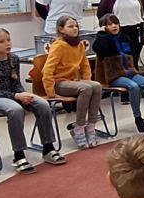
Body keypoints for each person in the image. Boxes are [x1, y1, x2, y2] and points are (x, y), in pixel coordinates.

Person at [0, 27, 66, 173]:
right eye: (1, 41)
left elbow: (16, 83)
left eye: (8, 40)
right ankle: (19, 155)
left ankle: (48, 148)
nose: (7, 44)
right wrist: (16, 97)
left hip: (12, 94)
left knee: (42, 104)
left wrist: (23, 94)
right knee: (15, 109)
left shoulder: (13, 59)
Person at [93, 15, 144, 138]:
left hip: (130, 72)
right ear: (104, 27)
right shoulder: (104, 40)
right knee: (134, 87)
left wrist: (135, 70)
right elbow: (97, 48)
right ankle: (138, 118)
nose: (114, 26)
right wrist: (101, 34)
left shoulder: (125, 38)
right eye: (110, 24)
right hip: (115, 76)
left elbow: (133, 55)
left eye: (116, 23)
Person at [42, 16, 106, 149]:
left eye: (76, 26)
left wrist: (87, 81)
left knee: (96, 86)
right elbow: (47, 69)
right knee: (85, 89)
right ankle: (79, 127)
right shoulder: (59, 45)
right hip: (58, 83)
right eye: (70, 26)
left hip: (72, 81)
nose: (75, 29)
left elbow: (85, 66)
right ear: (61, 29)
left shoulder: (80, 45)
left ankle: (91, 126)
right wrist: (50, 92)